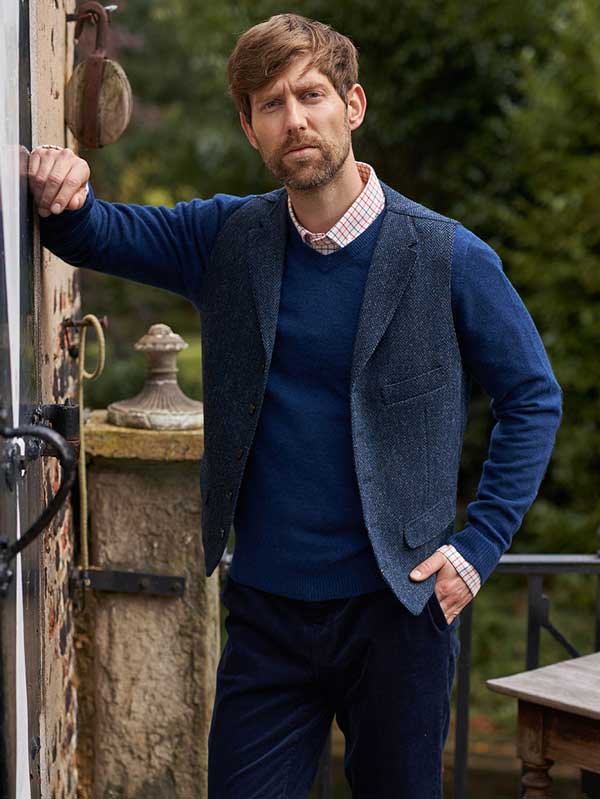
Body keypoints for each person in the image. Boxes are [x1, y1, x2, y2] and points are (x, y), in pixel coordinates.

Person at [30, 13, 562, 798]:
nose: (296, 119)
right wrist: (62, 188)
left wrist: (478, 547)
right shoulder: (229, 239)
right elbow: (96, 233)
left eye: (311, 95)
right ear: (251, 129)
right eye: (272, 104)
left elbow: (532, 396)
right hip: (268, 617)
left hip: (399, 613)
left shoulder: (447, 255)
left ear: (353, 105)